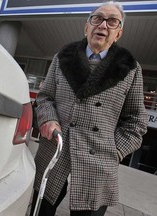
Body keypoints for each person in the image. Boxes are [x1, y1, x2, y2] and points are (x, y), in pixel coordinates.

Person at [29, 1, 148, 216]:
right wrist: (47, 119)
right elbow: (45, 97)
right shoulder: (62, 57)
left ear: (118, 33)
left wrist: (115, 151)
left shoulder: (130, 68)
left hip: (98, 159)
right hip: (56, 148)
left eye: (112, 21)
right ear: (87, 27)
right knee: (40, 210)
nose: (103, 25)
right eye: (97, 18)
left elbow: (136, 122)